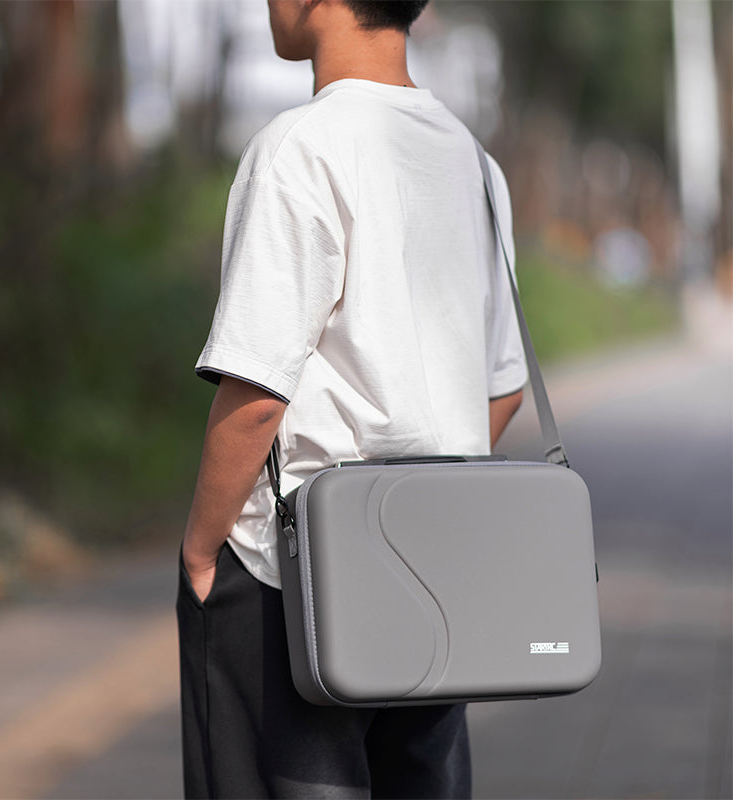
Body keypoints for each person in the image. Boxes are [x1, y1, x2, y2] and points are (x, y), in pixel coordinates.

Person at [177, 1, 527, 797]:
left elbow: (258, 392)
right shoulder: (474, 164)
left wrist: (202, 552)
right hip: (435, 566)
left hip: (292, 578)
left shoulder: (298, 149)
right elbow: (500, 390)